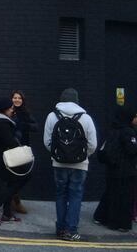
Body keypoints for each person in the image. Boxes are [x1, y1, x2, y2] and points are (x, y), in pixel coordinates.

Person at [43, 88, 98, 242]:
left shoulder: (52, 116)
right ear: (77, 100)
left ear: (61, 99)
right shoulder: (86, 118)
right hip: (80, 164)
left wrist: (58, 154)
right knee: (75, 196)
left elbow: (47, 142)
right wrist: (83, 155)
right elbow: (93, 144)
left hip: (58, 163)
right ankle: (71, 230)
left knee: (60, 194)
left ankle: (60, 229)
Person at [0, 98, 33, 226]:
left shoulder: (4, 121)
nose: (12, 109)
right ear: (4, 109)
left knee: (12, 183)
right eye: (10, 107)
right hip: (7, 159)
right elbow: (10, 141)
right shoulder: (2, 123)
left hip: (6, 158)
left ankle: (7, 213)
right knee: (20, 180)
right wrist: (18, 137)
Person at [94, 105, 137, 232]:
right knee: (124, 198)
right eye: (134, 116)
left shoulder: (113, 129)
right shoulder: (128, 132)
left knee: (110, 194)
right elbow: (132, 150)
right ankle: (121, 224)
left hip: (112, 168)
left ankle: (101, 217)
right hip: (126, 170)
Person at [10, 90, 37, 214]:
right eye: (15, 97)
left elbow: (35, 127)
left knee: (23, 176)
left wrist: (23, 125)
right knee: (12, 177)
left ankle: (13, 201)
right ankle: (14, 202)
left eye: (19, 98)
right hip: (10, 148)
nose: (17, 100)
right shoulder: (8, 112)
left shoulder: (26, 113)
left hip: (23, 148)